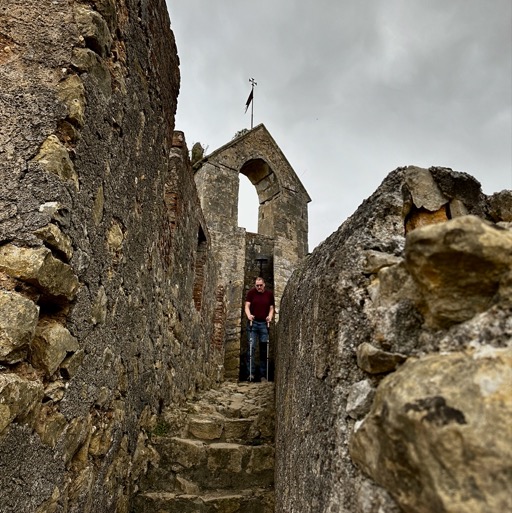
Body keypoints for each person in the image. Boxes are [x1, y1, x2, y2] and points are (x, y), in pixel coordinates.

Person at [245, 277, 275, 382]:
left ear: (264, 284)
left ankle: (263, 375)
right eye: (257, 285)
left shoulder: (269, 295)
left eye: (260, 285)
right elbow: (247, 306)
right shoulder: (251, 293)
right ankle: (251, 374)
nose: (259, 287)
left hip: (263, 324)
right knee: (251, 348)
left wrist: (270, 317)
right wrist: (249, 315)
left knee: (264, 350)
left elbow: (271, 308)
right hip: (253, 324)